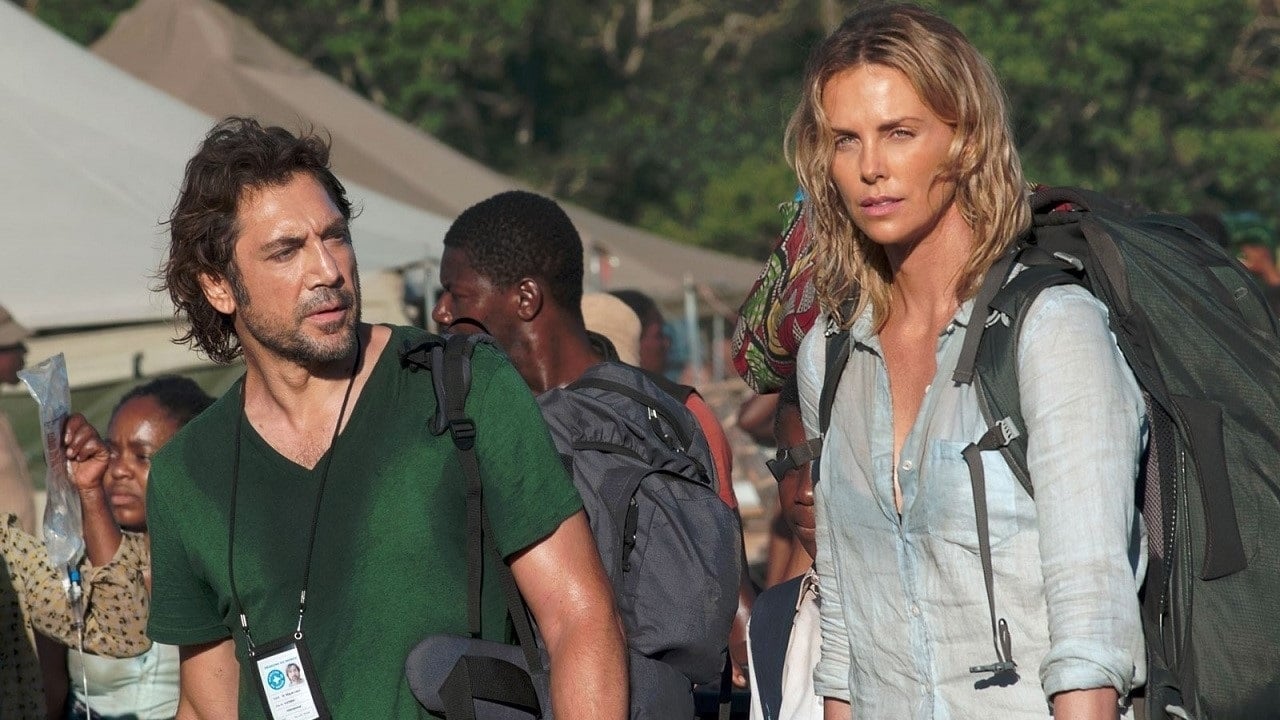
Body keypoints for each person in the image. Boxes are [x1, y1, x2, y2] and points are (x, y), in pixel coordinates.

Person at [146, 117, 626, 720]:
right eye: (286, 251)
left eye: (335, 237)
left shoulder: (461, 387)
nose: (328, 271)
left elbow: (579, 616)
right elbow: (206, 702)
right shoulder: (186, 474)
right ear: (219, 286)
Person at [788, 4, 1146, 718]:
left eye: (900, 132)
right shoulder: (828, 355)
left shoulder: (1052, 329)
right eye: (845, 140)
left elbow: (1091, 630)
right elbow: (844, 644)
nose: (870, 168)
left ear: (965, 140)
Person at [432, 190, 742, 718]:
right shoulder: (674, 411)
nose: (441, 312)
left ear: (526, 298)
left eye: (456, 295)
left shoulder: (499, 432)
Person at [49, 376, 214, 720]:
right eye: (112, 451)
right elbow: (49, 688)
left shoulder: (215, 567)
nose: (120, 470)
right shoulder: (73, 563)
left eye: (143, 456)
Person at [746, 377, 821, 720]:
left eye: (823, 462)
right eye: (789, 465)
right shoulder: (772, 618)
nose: (805, 491)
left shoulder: (914, 610)